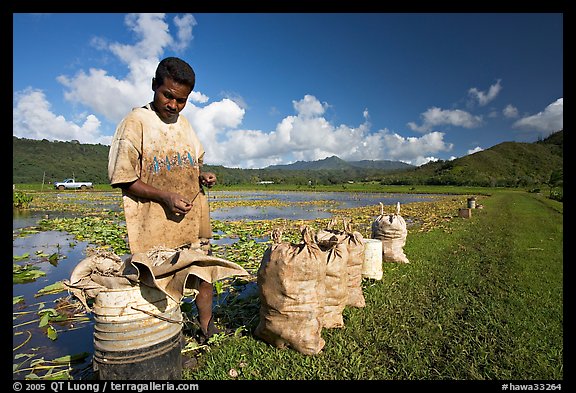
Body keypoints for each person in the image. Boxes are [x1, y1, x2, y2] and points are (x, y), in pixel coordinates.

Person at [108, 56, 219, 342]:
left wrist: (202, 175)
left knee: (204, 274)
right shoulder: (136, 122)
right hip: (155, 223)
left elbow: (192, 164)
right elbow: (124, 178)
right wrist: (165, 197)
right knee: (158, 283)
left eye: (181, 100)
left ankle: (207, 327)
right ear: (154, 85)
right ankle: (166, 334)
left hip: (191, 218)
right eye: (167, 95)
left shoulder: (185, 126)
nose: (173, 105)